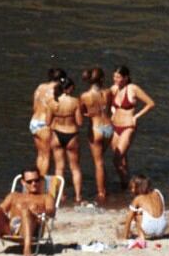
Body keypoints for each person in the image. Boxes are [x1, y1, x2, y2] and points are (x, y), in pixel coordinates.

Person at [0, 167, 57, 256]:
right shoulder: (14, 196)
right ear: (23, 182)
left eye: (36, 180)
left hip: (32, 229)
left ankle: (27, 248)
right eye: (29, 181)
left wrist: (41, 211)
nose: (34, 184)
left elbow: (52, 212)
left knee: (25, 210)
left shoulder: (46, 197)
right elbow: (1, 210)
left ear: (40, 180)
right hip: (10, 229)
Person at [108, 65, 156, 186]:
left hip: (128, 126)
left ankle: (126, 184)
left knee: (117, 159)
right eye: (114, 76)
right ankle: (127, 183)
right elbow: (110, 104)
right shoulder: (114, 88)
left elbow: (150, 103)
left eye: (118, 77)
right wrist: (113, 111)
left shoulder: (133, 88)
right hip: (115, 126)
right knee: (122, 158)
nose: (115, 79)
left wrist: (136, 116)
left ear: (126, 77)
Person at [45, 75, 85, 205]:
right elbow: (79, 122)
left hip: (57, 134)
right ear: (69, 89)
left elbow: (47, 121)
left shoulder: (52, 102)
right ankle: (78, 196)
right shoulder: (75, 101)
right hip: (71, 134)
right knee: (75, 168)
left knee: (59, 167)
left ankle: (60, 195)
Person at [79, 67, 113, 204]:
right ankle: (105, 186)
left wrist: (88, 114)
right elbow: (108, 108)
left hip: (96, 127)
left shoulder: (85, 96)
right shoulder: (108, 92)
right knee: (101, 159)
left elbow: (81, 113)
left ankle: (101, 192)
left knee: (98, 163)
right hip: (109, 127)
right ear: (102, 79)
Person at [29, 68, 64, 180]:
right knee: (46, 156)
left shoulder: (40, 87)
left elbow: (34, 106)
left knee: (40, 155)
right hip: (44, 124)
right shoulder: (56, 90)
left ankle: (35, 179)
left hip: (34, 121)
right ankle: (41, 183)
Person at [119, 174, 167, 240]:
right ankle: (156, 233)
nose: (132, 190)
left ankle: (141, 235)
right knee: (142, 211)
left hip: (149, 228)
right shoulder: (157, 192)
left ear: (139, 187)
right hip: (162, 228)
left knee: (136, 214)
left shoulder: (138, 198)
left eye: (133, 187)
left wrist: (125, 237)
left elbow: (128, 219)